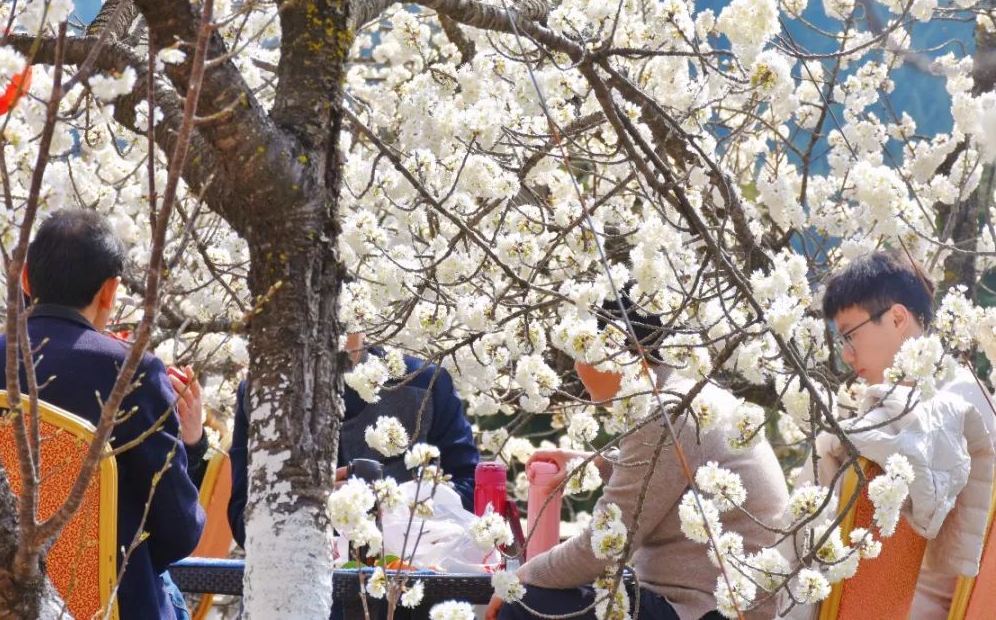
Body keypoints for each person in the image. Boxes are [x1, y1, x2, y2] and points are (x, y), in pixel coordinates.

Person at [0, 209, 207, 620]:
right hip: (103, 606)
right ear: (109, 291)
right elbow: (178, 531)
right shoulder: (131, 373)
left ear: (25, 279)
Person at [488, 292, 791, 620]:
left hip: (705, 609)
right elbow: (661, 476)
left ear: (620, 351)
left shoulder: (663, 412)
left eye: (582, 349)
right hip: (719, 602)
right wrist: (590, 464)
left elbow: (603, 548)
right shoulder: (685, 394)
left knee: (525, 603)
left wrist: (522, 578)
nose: (576, 365)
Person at [813, 250, 995, 619]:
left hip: (909, 606)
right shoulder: (915, 400)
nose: (847, 355)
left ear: (897, 318)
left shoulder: (955, 400)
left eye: (850, 336)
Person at [226, 331, 479, 548]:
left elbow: (473, 493)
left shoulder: (423, 383)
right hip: (295, 583)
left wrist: (395, 504)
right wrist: (307, 503)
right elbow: (242, 522)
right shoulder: (263, 395)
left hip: (412, 583)